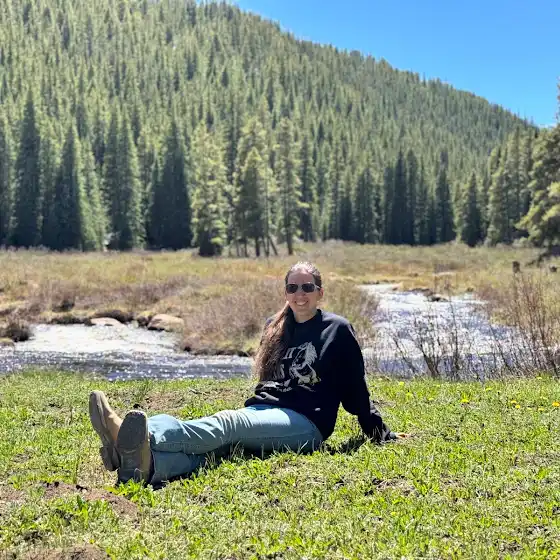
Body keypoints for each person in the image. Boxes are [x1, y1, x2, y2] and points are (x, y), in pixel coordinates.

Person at [89, 261, 400, 486]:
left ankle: (141, 436)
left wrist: (378, 431)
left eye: (307, 287)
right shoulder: (274, 326)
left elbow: (355, 386)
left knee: (229, 423)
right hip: (264, 412)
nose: (300, 294)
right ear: (286, 292)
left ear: (320, 292)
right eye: (292, 287)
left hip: (307, 424)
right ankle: (143, 466)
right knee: (218, 451)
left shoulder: (337, 330)